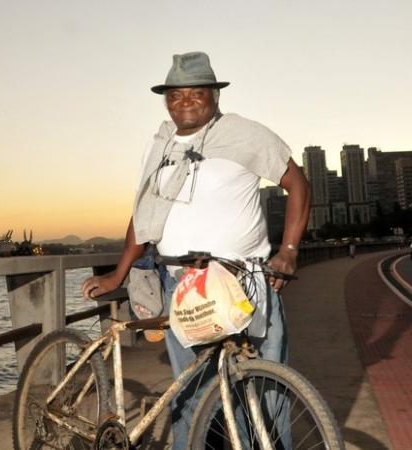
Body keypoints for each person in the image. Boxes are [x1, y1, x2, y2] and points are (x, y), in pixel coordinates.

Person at [81, 51, 311, 448]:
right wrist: (117, 274)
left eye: (194, 93)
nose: (183, 101)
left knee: (268, 385)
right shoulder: (160, 145)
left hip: (246, 281)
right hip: (180, 282)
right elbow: (143, 214)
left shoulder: (246, 134)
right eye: (174, 95)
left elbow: (298, 184)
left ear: (215, 96)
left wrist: (288, 250)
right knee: (191, 393)